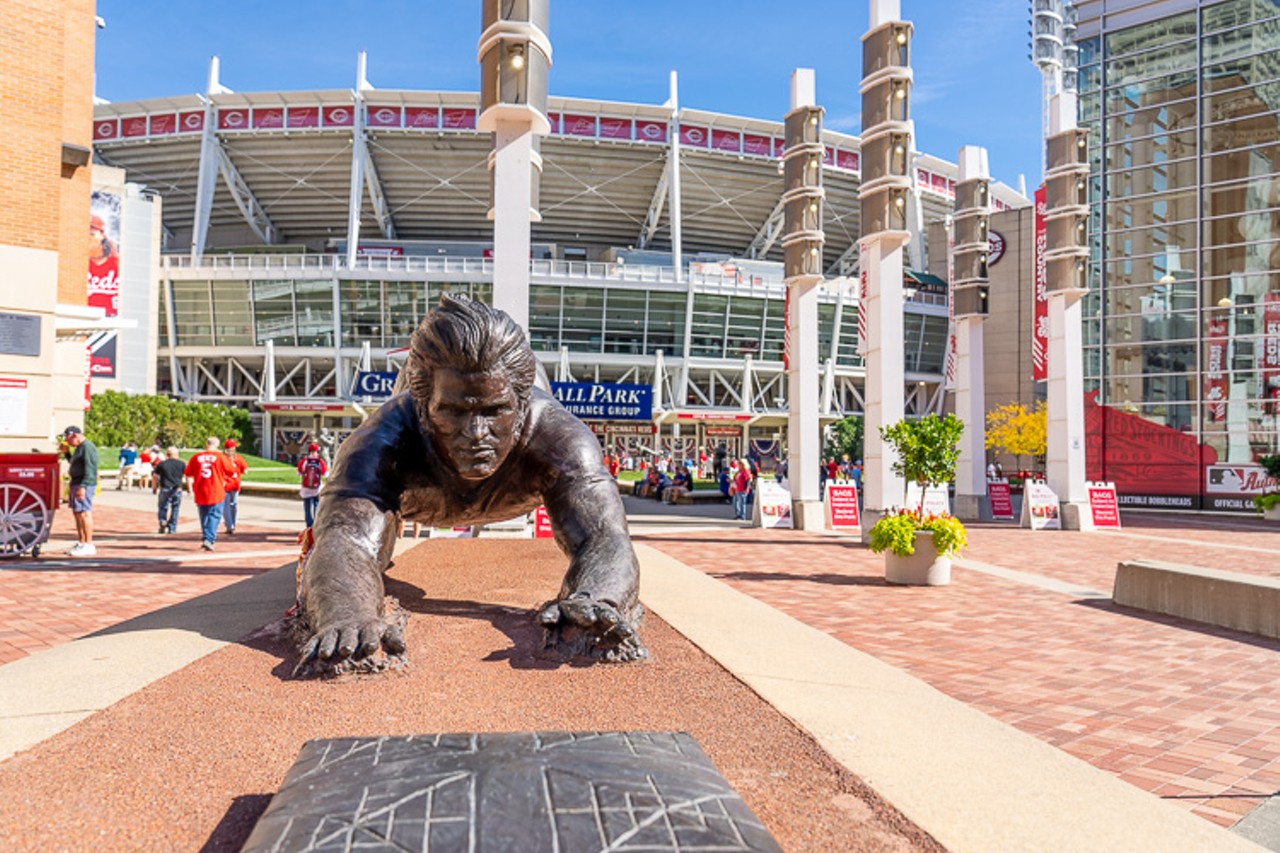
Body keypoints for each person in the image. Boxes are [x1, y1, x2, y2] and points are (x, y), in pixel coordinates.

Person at [295, 295, 645, 673]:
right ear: (424, 409)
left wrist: (596, 599)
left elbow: (605, 536)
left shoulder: (560, 438)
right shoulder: (381, 442)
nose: (476, 433)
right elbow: (345, 539)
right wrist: (347, 614)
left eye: (494, 411)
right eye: (453, 412)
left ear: (522, 404)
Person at [184, 436, 235, 551]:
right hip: (216, 489)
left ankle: (206, 536)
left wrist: (189, 488)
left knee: (204, 515)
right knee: (215, 515)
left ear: (206, 444)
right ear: (217, 445)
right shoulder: (221, 457)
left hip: (200, 489)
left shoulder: (196, 457)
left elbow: (188, 473)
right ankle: (209, 539)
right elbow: (231, 471)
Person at [62, 425, 98, 556]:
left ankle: (88, 544)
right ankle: (82, 542)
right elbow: (75, 463)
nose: (68, 441)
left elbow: (90, 468)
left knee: (84, 513)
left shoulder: (87, 447)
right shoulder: (79, 448)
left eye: (68, 438)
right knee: (77, 513)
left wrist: (83, 486)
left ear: (74, 435)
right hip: (76, 482)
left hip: (83, 483)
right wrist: (66, 453)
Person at [152, 446, 186, 534]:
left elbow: (155, 477)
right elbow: (187, 476)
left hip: (165, 487)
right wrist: (189, 488)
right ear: (176, 454)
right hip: (177, 488)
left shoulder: (162, 464)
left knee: (163, 506)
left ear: (167, 454)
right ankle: (172, 527)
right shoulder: (182, 464)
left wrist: (154, 488)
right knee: (175, 508)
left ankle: (162, 520)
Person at [297, 442, 328, 528]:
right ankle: (316, 523)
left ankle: (309, 525)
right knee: (316, 504)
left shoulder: (304, 461)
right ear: (317, 451)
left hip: (306, 488)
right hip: (316, 488)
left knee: (307, 506)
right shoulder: (319, 461)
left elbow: (298, 473)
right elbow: (325, 473)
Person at [222, 438, 248, 534]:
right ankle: (232, 524)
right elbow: (245, 471)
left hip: (227, 484)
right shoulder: (237, 458)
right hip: (234, 484)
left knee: (227, 506)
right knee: (233, 505)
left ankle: (230, 525)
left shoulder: (223, 458)